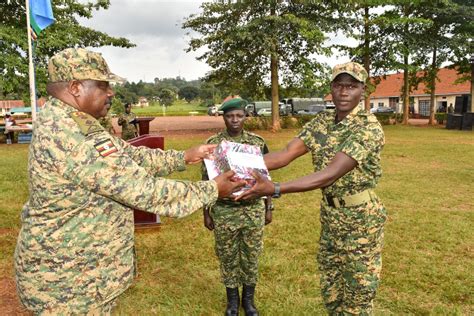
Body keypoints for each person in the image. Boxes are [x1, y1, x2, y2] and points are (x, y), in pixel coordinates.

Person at [14, 48, 244, 315]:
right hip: (69, 285)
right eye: (102, 85)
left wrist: (183, 157)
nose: (110, 92)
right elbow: (144, 191)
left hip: (79, 273)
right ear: (75, 87)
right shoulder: (72, 135)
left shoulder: (72, 120)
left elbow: (128, 155)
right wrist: (213, 189)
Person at [238, 62, 387, 315]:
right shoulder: (324, 121)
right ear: (331, 88)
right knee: (332, 290)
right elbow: (285, 154)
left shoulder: (368, 128)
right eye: (339, 85)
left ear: (362, 90)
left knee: (357, 296)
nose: (343, 92)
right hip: (331, 216)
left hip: (362, 219)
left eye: (351, 86)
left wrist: (273, 188)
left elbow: (328, 175)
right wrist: (234, 164)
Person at [202, 97, 273, 316]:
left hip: (252, 208)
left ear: (245, 117)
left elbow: (266, 177)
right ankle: (232, 302)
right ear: (223, 117)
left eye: (239, 116)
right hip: (224, 210)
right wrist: (206, 212)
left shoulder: (256, 142)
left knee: (251, 255)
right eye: (230, 116)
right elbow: (206, 181)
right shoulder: (214, 144)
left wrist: (269, 207)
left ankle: (248, 302)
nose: (234, 120)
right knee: (227, 256)